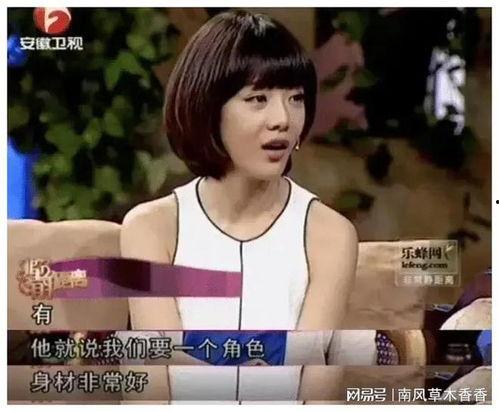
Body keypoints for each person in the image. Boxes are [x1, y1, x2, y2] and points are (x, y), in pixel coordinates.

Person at [120, 9, 358, 404]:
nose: (283, 119)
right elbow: (152, 385)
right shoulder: (152, 229)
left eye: (296, 98)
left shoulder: (329, 234)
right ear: (207, 109)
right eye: (257, 99)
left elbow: (319, 389)